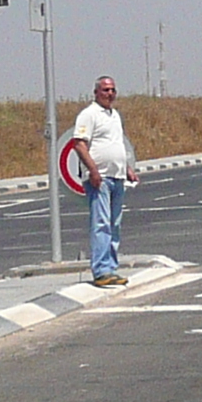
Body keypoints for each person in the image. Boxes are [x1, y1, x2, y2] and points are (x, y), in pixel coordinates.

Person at [71, 75, 137, 286]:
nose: (110, 94)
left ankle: (111, 268)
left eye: (112, 90)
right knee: (101, 223)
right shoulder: (89, 115)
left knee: (114, 224)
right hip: (99, 178)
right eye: (105, 90)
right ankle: (100, 270)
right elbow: (79, 144)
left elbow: (116, 144)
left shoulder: (114, 115)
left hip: (117, 176)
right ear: (96, 92)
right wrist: (93, 170)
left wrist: (127, 169)